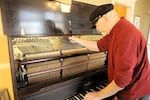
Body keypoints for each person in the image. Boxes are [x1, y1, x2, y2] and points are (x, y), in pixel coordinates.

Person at [69, 4, 150, 100]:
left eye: (96, 25)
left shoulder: (125, 36)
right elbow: (98, 46)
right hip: (127, 89)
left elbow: (122, 81)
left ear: (104, 18)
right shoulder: (117, 30)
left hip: (135, 93)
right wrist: (77, 40)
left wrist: (98, 95)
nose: (98, 29)